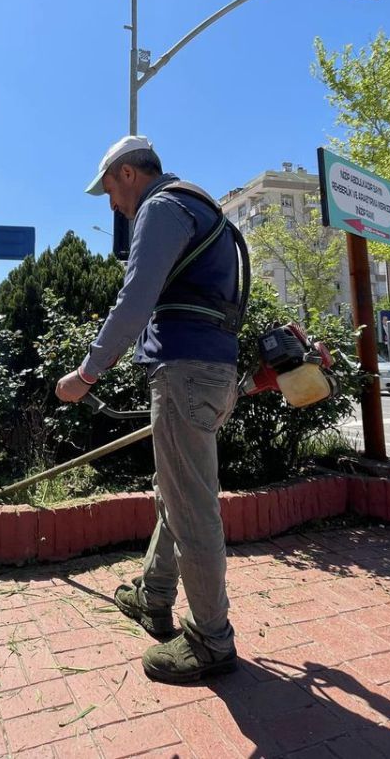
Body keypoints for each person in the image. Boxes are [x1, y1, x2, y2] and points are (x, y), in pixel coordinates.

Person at [55, 134, 249, 684]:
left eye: (110, 192)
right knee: (177, 492)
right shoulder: (199, 204)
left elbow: (136, 297)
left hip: (185, 372)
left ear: (126, 174)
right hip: (211, 369)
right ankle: (154, 594)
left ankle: (212, 639)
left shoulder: (160, 208)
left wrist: (87, 373)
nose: (113, 205)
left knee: (191, 508)